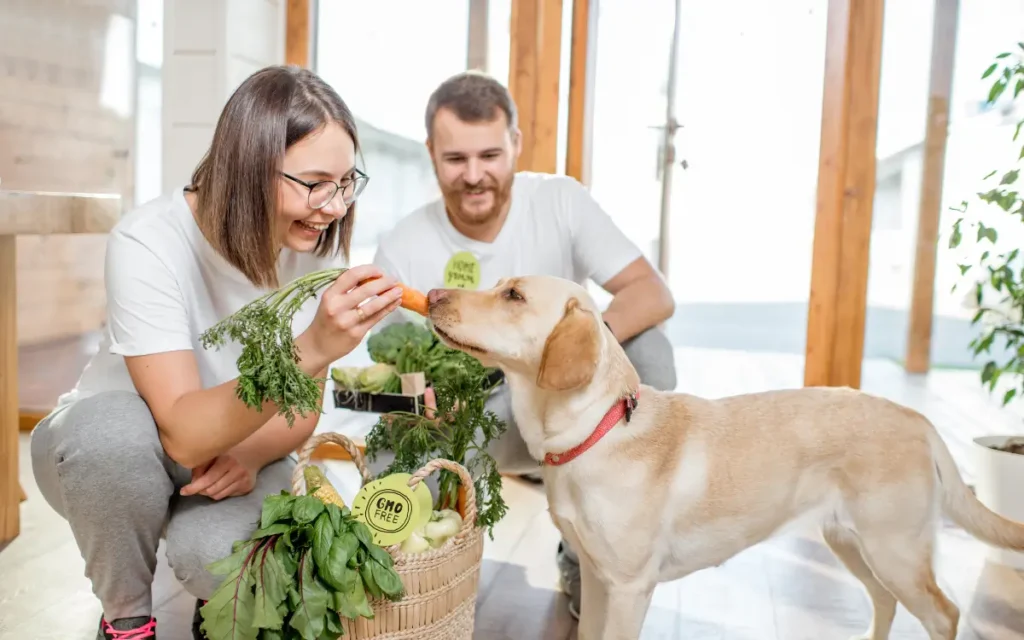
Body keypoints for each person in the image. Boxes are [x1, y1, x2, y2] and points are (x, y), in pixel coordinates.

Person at [29, 66, 405, 640]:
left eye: (347, 181)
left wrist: (253, 455)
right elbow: (179, 431)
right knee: (112, 434)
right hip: (110, 457)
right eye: (314, 183)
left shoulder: (312, 250)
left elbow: (301, 415)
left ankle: (220, 611)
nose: (333, 206)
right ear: (250, 168)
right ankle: (127, 620)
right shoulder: (149, 241)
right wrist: (313, 346)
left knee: (217, 557)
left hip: (234, 449)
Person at [371, 70, 678, 620]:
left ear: (515, 143)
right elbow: (379, 374)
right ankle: (433, 586)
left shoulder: (558, 201)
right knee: (387, 448)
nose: (474, 175)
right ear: (431, 153)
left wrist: (569, 349)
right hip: (471, 420)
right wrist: (416, 399)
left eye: (490, 154)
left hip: (566, 408)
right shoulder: (403, 245)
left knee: (650, 353)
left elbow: (651, 293)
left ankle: (590, 552)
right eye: (455, 159)